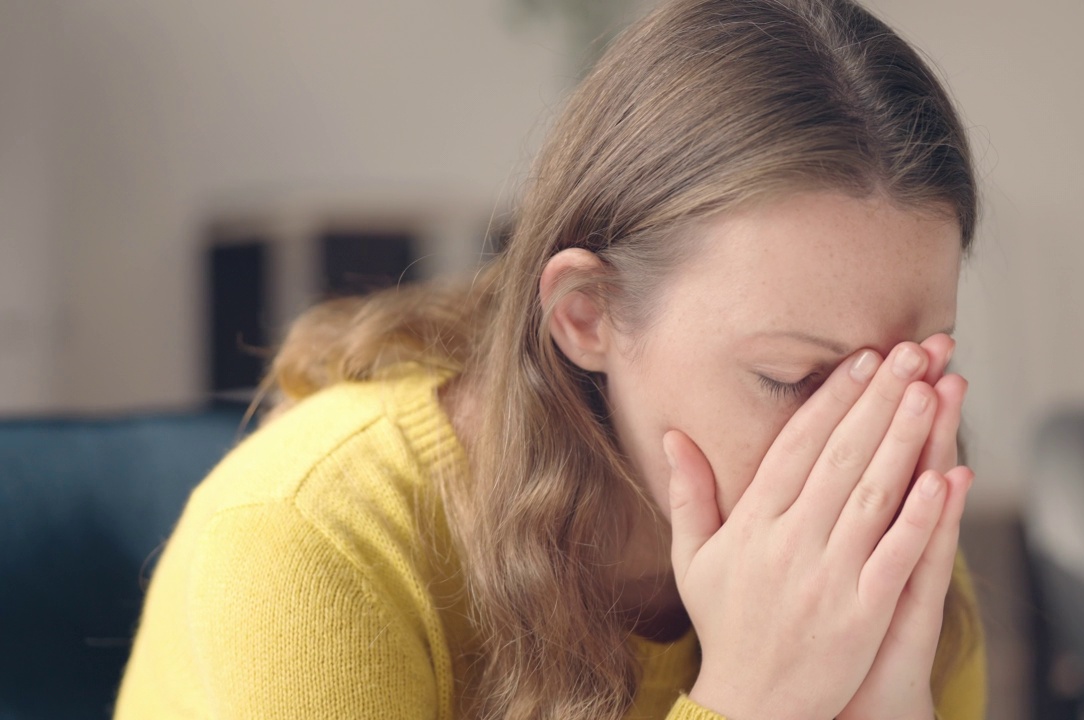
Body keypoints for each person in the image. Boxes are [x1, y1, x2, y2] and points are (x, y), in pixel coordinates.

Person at [114, 0, 987, 718]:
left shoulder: (891, 560)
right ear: (587, 315)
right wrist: (753, 703)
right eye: (793, 378)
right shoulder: (307, 542)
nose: (868, 446)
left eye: (919, 375)